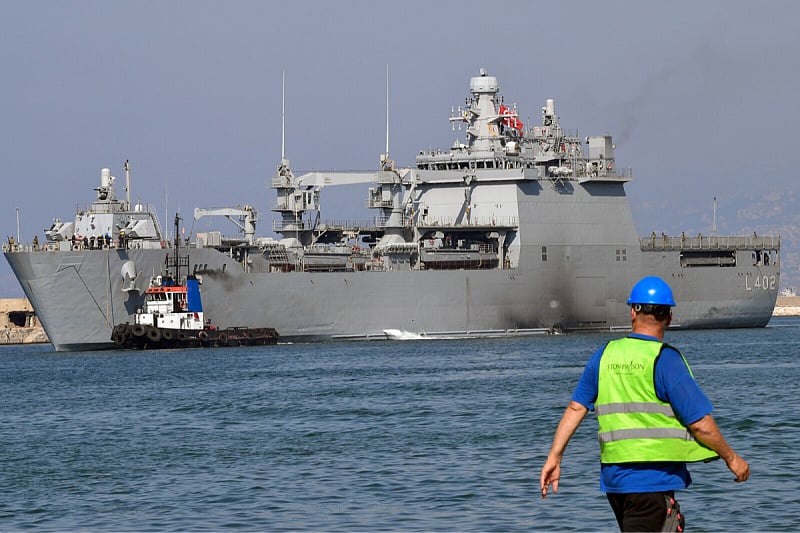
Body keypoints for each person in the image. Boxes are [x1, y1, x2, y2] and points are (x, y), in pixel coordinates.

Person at [539, 276, 750, 532]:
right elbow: (700, 423)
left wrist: (555, 456)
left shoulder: (604, 356)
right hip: (652, 484)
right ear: (669, 317)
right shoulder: (665, 360)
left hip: (615, 485)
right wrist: (732, 459)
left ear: (632, 312)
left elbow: (576, 408)